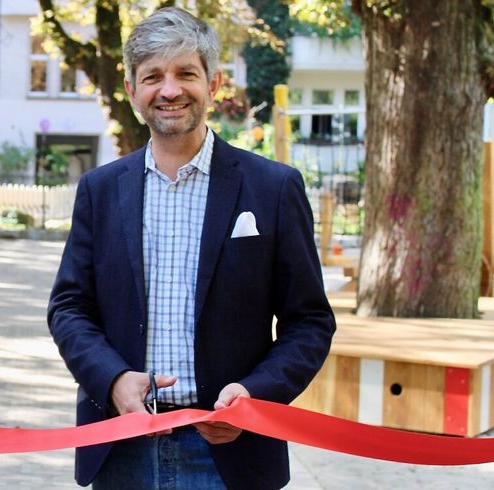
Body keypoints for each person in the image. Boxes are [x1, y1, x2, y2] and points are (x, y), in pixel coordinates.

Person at [47, 7, 335, 489]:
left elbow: (309, 321)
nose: (170, 90)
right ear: (132, 88)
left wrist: (254, 395)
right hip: (122, 446)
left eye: (186, 73)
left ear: (213, 83)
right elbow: (69, 308)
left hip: (231, 452)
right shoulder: (100, 190)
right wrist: (113, 380)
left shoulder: (273, 188)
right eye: (153, 76)